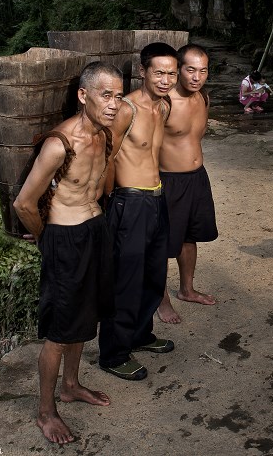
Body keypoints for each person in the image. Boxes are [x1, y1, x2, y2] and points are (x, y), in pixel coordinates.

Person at [12, 61, 122, 444]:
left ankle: (71, 385)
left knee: (86, 315)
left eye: (118, 95)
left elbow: (98, 183)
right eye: (105, 95)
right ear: (83, 95)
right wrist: (47, 239)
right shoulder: (60, 143)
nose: (113, 103)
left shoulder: (104, 134)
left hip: (94, 231)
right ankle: (46, 412)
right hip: (66, 236)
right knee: (60, 332)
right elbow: (24, 204)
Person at [98, 42, 178, 381]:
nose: (165, 79)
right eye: (158, 72)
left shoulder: (163, 107)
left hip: (157, 199)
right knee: (126, 281)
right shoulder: (127, 108)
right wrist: (107, 203)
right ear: (143, 70)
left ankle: (140, 334)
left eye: (171, 73)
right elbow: (106, 156)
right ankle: (114, 354)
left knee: (154, 274)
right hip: (129, 202)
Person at [156, 44, 219, 324]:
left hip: (197, 177)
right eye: (190, 69)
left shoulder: (203, 98)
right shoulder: (164, 102)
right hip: (168, 180)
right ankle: (162, 300)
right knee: (161, 244)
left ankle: (187, 289)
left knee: (190, 237)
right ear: (178, 69)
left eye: (203, 70)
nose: (197, 77)